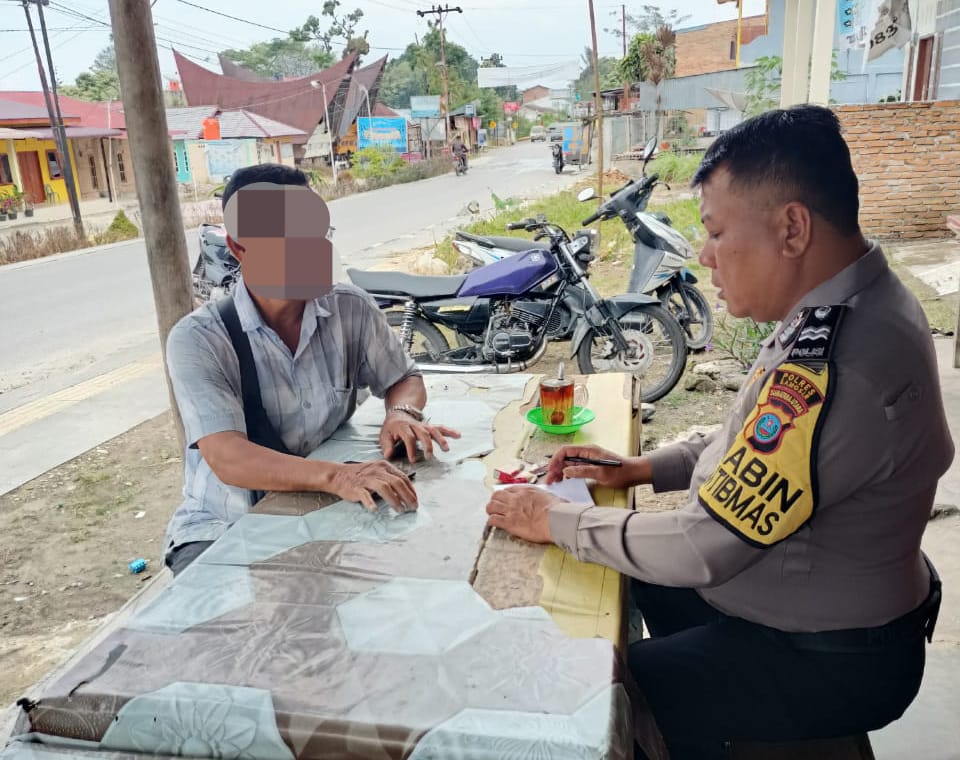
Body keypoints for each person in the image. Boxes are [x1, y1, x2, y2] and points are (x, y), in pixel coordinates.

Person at [485, 106, 953, 759]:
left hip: (832, 654)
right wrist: (642, 468)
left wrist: (554, 519)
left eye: (715, 232)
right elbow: (756, 438)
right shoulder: (842, 306)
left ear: (792, 228)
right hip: (809, 606)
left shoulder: (842, 361)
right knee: (629, 570)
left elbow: (706, 546)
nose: (704, 255)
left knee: (608, 687)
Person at [163, 164, 459, 576]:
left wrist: (401, 413)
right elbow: (229, 458)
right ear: (238, 247)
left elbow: (403, 378)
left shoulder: (350, 309)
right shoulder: (198, 339)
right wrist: (338, 478)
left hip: (322, 510)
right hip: (226, 525)